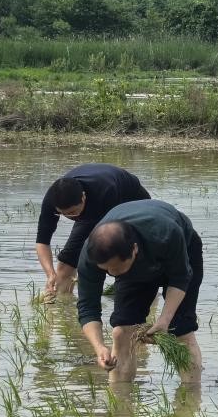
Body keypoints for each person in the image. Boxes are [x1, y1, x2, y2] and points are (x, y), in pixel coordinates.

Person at [76, 199, 204, 383]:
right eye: (107, 270)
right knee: (122, 331)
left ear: (134, 249)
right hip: (136, 268)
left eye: (117, 269)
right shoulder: (91, 256)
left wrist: (164, 319)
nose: (112, 274)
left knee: (181, 330)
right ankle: (121, 404)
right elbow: (87, 308)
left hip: (182, 252)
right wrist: (99, 347)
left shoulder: (165, 233)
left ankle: (192, 398)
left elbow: (180, 277)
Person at [35, 164, 151, 298]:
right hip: (91, 210)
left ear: (83, 197)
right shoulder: (53, 200)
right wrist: (50, 274)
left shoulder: (106, 190)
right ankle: (63, 306)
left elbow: (105, 238)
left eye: (72, 212)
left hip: (132, 201)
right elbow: (42, 241)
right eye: (63, 214)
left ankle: (146, 299)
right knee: (67, 261)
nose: (69, 217)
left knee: (123, 256)